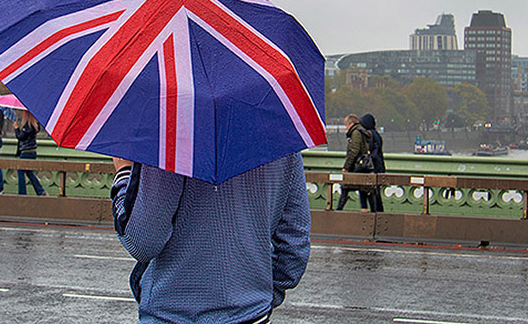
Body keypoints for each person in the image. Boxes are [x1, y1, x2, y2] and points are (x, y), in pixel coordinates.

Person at [110, 152, 311, 323]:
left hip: (172, 314)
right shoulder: (283, 139)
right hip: (252, 314)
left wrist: (124, 173)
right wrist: (257, 297)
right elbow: (294, 247)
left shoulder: (172, 135)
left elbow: (142, 242)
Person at [335, 113, 376, 212]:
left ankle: (338, 211)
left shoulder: (355, 133)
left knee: (345, 187)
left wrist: (346, 166)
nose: (346, 128)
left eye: (346, 125)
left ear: (351, 124)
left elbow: (354, 151)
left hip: (357, 166)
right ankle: (374, 212)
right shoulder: (363, 132)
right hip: (364, 166)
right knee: (368, 189)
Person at [14, 110, 46, 196]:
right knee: (29, 172)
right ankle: (41, 191)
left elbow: (20, 137)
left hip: (26, 152)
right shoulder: (35, 126)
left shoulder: (27, 127)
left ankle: (22, 193)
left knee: (20, 171)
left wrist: (16, 128)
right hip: (32, 152)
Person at [359, 113, 385, 212]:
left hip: (373, 166)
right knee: (375, 191)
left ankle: (375, 211)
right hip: (378, 166)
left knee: (372, 191)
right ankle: (378, 211)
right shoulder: (376, 134)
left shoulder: (370, 135)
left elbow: (372, 151)